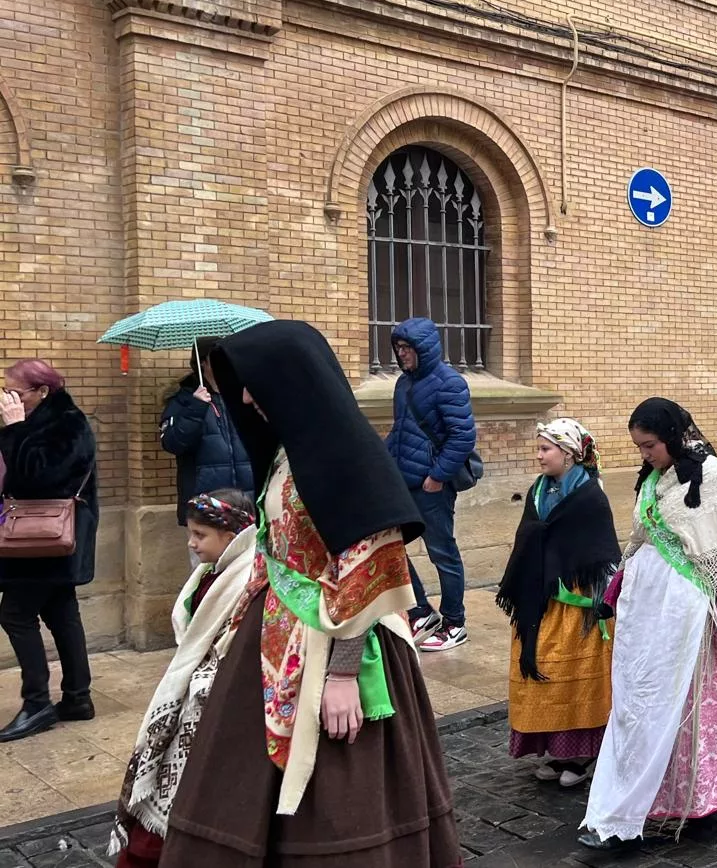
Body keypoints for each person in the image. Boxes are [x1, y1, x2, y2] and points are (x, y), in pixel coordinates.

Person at [159, 320, 459, 866]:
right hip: (272, 632)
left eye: (255, 383)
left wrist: (344, 672)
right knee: (238, 777)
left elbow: (374, 564)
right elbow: (274, 550)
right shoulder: (282, 455)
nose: (246, 397)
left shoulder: (345, 454)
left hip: (340, 640)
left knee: (342, 789)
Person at [580, 399, 717, 850]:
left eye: (650, 445)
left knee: (691, 704)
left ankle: (704, 798)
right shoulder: (654, 479)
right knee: (644, 702)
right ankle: (647, 796)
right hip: (648, 617)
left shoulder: (712, 476)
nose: (645, 454)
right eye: (639, 447)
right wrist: (617, 589)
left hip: (692, 616)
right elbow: (639, 539)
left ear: (673, 437)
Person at [110, 489, 257, 867]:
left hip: (215, 701)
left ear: (232, 536)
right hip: (189, 690)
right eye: (190, 533)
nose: (192, 543)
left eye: (200, 535)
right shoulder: (211, 574)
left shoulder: (247, 579)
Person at [497, 419, 619, 788]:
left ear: (567, 454)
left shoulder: (589, 496)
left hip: (576, 602)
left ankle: (583, 754)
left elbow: (598, 550)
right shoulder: (539, 490)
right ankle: (556, 749)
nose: (539, 456)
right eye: (539, 448)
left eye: (545, 449)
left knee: (572, 677)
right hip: (540, 599)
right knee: (542, 674)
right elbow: (529, 535)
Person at [0, 359, 97, 742]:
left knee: (15, 614)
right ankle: (77, 698)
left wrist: (15, 429)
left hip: (43, 539)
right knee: (61, 612)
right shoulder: (35, 420)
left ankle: (37, 702)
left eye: (16, 392)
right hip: (38, 539)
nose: (10, 399)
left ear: (42, 392)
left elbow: (39, 477)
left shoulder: (67, 423)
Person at [388, 316, 478, 653]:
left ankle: (455, 623)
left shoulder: (449, 383)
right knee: (392, 547)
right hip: (403, 482)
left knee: (442, 552)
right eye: (398, 348)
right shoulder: (402, 384)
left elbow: (462, 436)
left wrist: (437, 477)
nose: (403, 354)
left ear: (423, 349)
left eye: (407, 348)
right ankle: (421, 610)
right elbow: (401, 433)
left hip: (432, 487)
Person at [159, 339, 252, 557]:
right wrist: (196, 408)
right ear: (204, 364)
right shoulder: (183, 400)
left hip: (244, 502)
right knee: (207, 575)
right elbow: (172, 443)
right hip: (206, 506)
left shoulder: (241, 397)